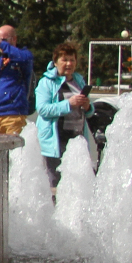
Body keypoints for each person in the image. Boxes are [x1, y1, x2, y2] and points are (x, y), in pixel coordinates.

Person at [35, 41, 91, 184]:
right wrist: (68, 104)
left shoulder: (79, 81)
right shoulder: (46, 82)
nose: (69, 64)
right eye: (64, 60)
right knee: (55, 183)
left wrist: (88, 107)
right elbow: (42, 109)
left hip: (76, 139)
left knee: (77, 182)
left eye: (72, 60)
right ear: (55, 62)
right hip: (55, 142)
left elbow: (89, 113)